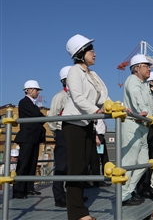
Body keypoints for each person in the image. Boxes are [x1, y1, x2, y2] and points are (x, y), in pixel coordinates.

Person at [62, 34, 110, 220]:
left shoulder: (93, 75)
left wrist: (117, 107)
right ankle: (77, 214)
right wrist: (96, 111)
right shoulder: (74, 71)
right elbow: (77, 97)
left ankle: (79, 209)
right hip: (74, 123)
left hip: (88, 123)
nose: (95, 54)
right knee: (75, 168)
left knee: (83, 167)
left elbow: (102, 98)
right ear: (81, 53)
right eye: (91, 50)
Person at [121, 54, 153, 206]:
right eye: (146, 66)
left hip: (142, 126)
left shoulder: (145, 85)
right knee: (130, 161)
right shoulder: (132, 80)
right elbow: (136, 97)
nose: (149, 69)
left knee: (144, 162)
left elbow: (152, 104)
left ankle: (128, 191)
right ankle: (123, 195)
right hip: (132, 124)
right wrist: (142, 111)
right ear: (136, 68)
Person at [13, 80, 46, 199]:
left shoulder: (32, 104)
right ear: (29, 90)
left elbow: (40, 117)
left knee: (32, 164)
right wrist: (42, 117)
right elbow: (39, 117)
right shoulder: (24, 102)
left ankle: (29, 188)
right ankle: (18, 191)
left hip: (34, 138)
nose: (38, 92)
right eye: (36, 90)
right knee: (23, 163)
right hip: (27, 138)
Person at [47, 66, 71, 208]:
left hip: (73, 133)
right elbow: (52, 116)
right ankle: (59, 196)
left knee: (72, 166)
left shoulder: (75, 97)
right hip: (63, 132)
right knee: (61, 166)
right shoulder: (60, 96)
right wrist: (56, 132)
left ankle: (71, 195)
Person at [88, 119, 111, 188]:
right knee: (96, 160)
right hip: (97, 137)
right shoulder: (95, 114)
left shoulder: (101, 117)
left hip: (101, 137)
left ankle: (103, 178)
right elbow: (94, 126)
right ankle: (97, 181)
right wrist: (96, 137)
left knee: (104, 159)